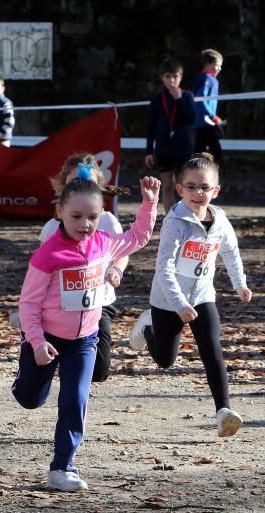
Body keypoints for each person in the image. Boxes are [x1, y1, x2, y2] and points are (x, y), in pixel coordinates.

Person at [13, 176, 159, 492]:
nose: (85, 224)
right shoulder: (48, 255)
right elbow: (28, 304)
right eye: (76, 216)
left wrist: (149, 203)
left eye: (92, 217)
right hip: (46, 340)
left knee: (75, 399)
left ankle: (62, 467)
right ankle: (24, 379)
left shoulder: (104, 243)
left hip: (84, 340)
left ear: (101, 214)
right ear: (60, 212)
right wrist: (36, 342)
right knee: (28, 398)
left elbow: (139, 236)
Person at [129, 153, 252, 437]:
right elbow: (164, 269)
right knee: (164, 360)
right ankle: (148, 326)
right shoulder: (176, 222)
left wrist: (239, 284)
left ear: (215, 190)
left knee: (212, 349)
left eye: (204, 187)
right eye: (192, 186)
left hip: (203, 295)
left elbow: (231, 253)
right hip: (167, 299)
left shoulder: (220, 220)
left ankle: (224, 411)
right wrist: (179, 304)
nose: (198, 193)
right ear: (180, 189)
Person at [14, 155, 131, 383]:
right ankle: (37, 346)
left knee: (99, 371)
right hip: (57, 311)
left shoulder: (107, 221)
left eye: (87, 183)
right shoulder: (51, 228)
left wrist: (116, 270)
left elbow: (123, 252)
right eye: (73, 183)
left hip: (99, 303)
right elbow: (40, 270)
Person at [145, 57, 196, 215]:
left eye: (175, 76)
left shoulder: (187, 96)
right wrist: (148, 151)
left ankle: (185, 216)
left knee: (183, 185)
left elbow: (190, 119)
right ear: (162, 77)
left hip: (183, 147)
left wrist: (178, 99)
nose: (172, 80)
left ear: (180, 77)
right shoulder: (157, 99)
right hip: (164, 148)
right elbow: (151, 126)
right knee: (166, 186)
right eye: (168, 76)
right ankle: (170, 218)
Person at [192, 49, 225, 167]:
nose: (220, 68)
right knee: (215, 149)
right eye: (217, 65)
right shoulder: (206, 79)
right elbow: (200, 99)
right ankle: (216, 174)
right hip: (205, 121)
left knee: (200, 149)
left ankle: (197, 173)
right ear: (208, 64)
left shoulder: (207, 79)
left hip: (203, 121)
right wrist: (213, 116)